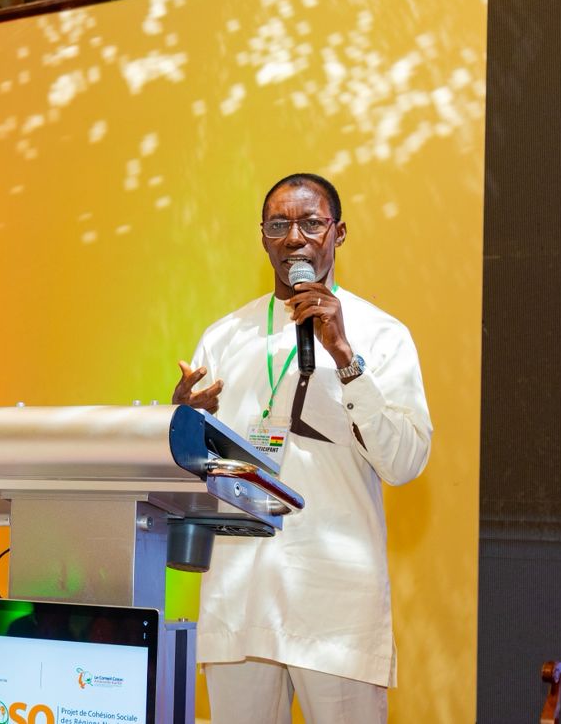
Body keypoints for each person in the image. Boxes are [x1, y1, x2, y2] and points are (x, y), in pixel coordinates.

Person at [172, 173, 432, 724]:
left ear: (339, 233)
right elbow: (193, 479)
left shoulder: (382, 334)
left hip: (336, 606)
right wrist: (178, 424)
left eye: (311, 223)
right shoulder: (224, 338)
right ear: (263, 237)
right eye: (279, 224)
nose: (294, 237)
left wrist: (345, 358)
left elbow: (405, 462)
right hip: (241, 601)